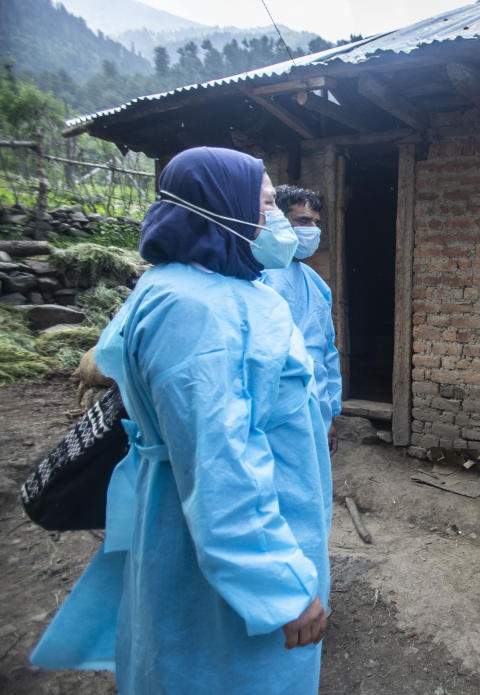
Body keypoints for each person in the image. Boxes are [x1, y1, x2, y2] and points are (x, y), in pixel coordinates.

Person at [31, 147, 331, 694]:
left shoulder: (211, 288)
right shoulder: (195, 311)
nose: (279, 221)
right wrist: (278, 588)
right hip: (224, 544)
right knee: (222, 669)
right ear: (218, 208)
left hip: (225, 522)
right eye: (264, 204)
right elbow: (221, 465)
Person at [259, 184, 341, 456]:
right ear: (278, 221)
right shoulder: (256, 278)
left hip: (315, 408)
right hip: (276, 415)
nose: (312, 230)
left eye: (316, 223)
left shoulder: (315, 283)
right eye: (302, 221)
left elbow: (327, 352)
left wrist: (329, 415)